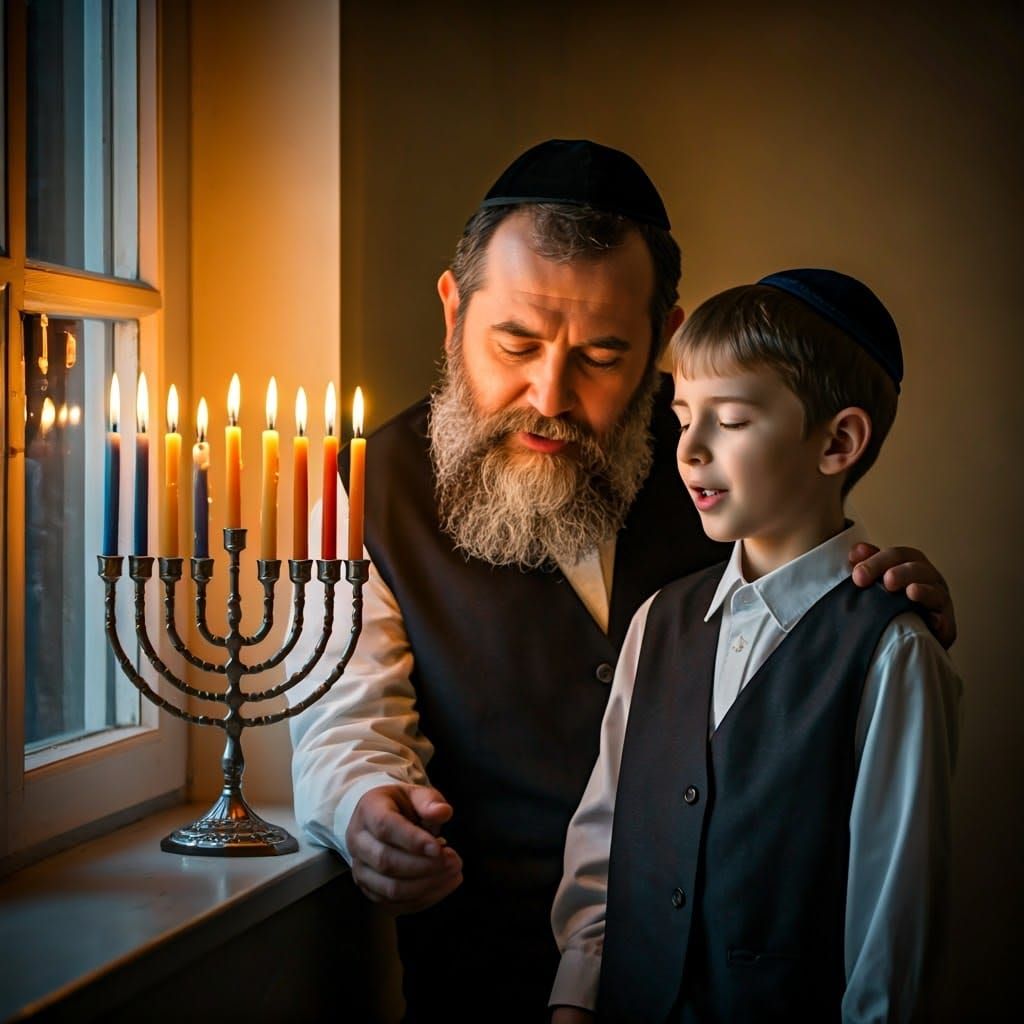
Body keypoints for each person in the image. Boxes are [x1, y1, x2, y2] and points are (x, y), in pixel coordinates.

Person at [287, 140, 957, 1022]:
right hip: (479, 986)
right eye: (516, 344)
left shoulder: (728, 467)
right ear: (453, 310)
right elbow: (346, 719)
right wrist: (363, 804)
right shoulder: (363, 492)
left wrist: (882, 600)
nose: (550, 394)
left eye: (602, 357)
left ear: (661, 338)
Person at [549, 270, 962, 1023]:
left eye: (732, 420)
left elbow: (891, 930)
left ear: (837, 442)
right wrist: (574, 1001)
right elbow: (604, 837)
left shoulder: (894, 652)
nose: (690, 449)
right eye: (683, 416)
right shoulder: (657, 622)